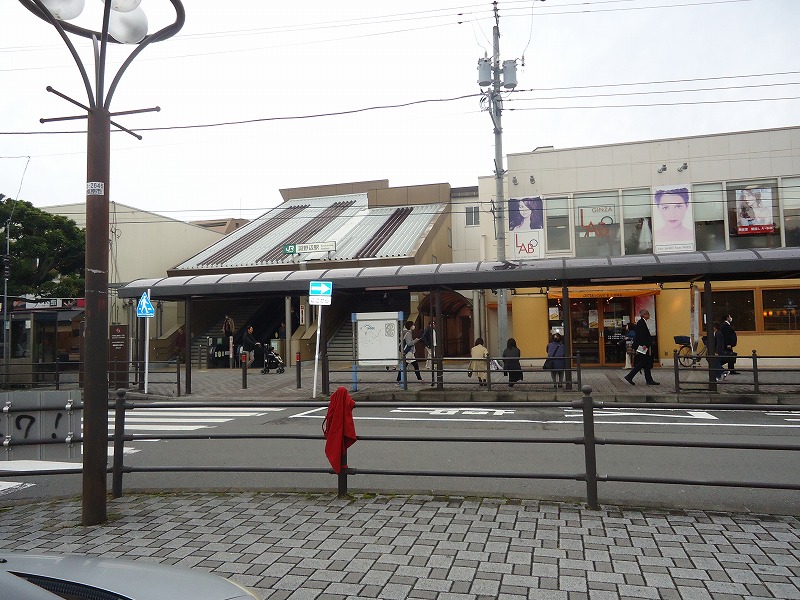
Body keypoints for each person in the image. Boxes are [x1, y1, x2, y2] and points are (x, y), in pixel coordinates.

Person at [624, 309, 659, 385]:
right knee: (642, 362)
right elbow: (641, 335)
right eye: (648, 314)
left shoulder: (642, 322)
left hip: (643, 345)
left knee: (646, 362)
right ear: (644, 315)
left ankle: (649, 380)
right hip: (642, 346)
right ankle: (629, 376)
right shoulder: (641, 322)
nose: (649, 315)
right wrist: (644, 345)